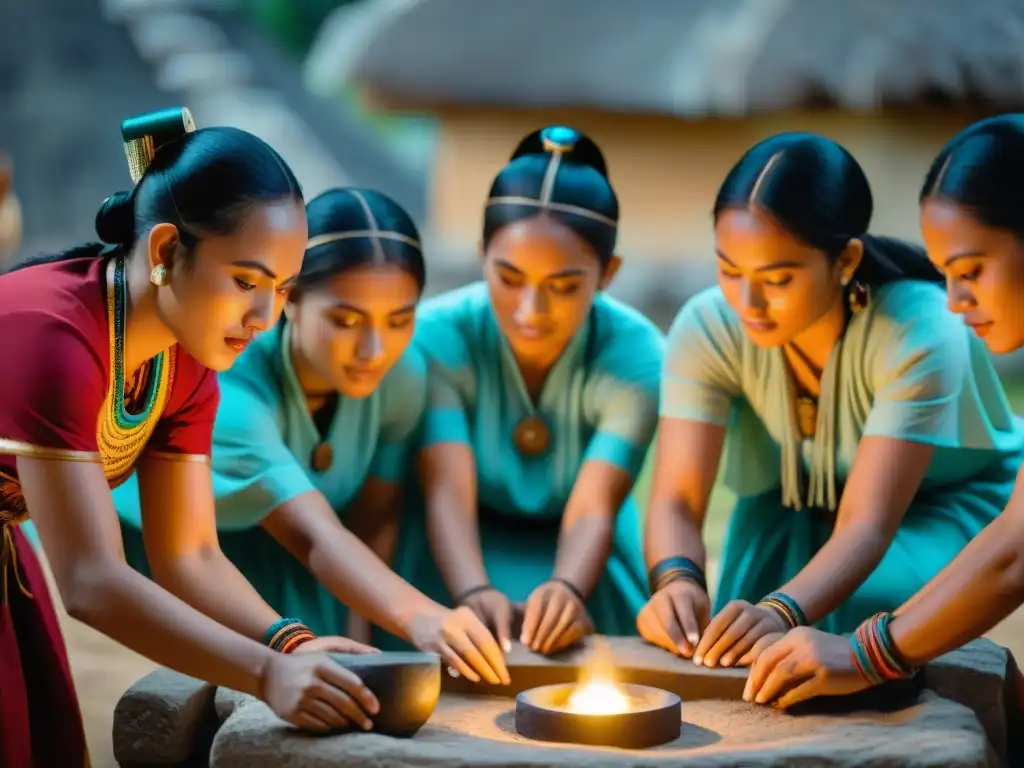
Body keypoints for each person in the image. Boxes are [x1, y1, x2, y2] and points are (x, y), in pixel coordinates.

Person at [0, 107, 376, 765]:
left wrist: (289, 645)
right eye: (246, 282)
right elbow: (90, 581)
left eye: (284, 290)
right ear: (166, 250)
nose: (265, 317)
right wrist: (264, 676)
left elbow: (190, 554)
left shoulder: (187, 362)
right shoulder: (58, 339)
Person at [637, 131, 1024, 672]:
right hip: (796, 510)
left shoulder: (922, 328)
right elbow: (676, 497)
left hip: (939, 504)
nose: (747, 302)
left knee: (848, 612)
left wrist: (790, 615)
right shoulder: (708, 326)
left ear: (845, 262)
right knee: (727, 631)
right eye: (729, 270)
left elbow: (868, 526)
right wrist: (676, 579)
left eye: (778, 279)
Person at [114, 187, 509, 685]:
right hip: (189, 560)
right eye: (345, 320)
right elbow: (311, 534)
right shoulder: (228, 380)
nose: (374, 348)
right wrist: (422, 616)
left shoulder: (402, 374)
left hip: (320, 556)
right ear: (290, 299)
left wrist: (363, 631)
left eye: (399, 320)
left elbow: (373, 517)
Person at [742, 115, 1024, 711]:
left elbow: (1015, 552)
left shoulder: (914, 332)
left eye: (971, 271)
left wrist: (863, 656)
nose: (954, 301)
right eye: (946, 274)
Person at [391, 126, 664, 656]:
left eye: (563, 287)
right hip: (449, 551)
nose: (529, 312)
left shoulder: (639, 355)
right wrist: (472, 590)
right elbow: (446, 487)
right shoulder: (436, 335)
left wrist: (567, 589)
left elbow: (595, 503)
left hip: (586, 559)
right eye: (509, 277)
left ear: (608, 273)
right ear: (480, 255)